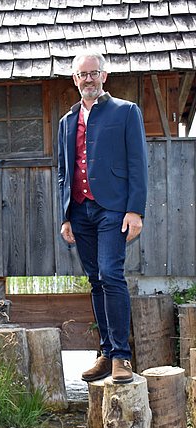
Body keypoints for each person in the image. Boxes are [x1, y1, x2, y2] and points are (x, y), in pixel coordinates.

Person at [58, 52, 148, 384]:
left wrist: (135, 210)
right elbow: (63, 172)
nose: (88, 79)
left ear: (104, 76)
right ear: (75, 79)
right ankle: (106, 353)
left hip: (113, 208)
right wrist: (65, 215)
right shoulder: (66, 122)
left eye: (94, 73)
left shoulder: (125, 111)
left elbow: (138, 163)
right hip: (80, 211)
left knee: (111, 274)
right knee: (95, 279)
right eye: (82, 75)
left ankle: (122, 357)